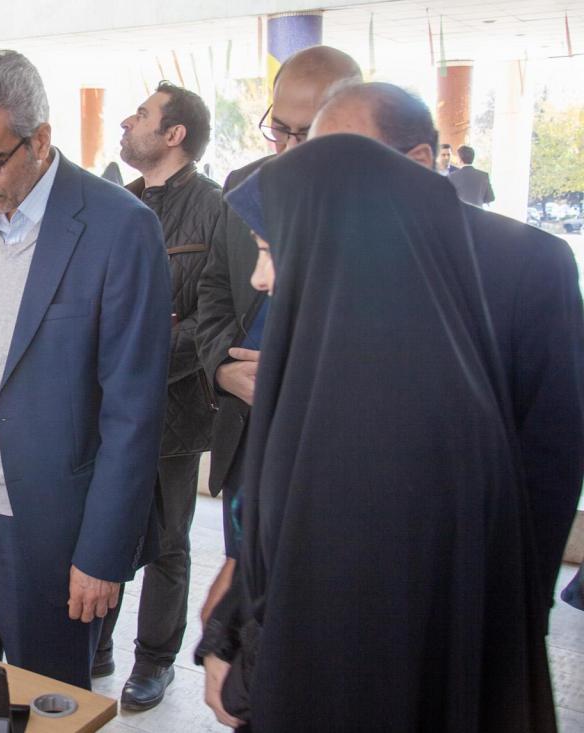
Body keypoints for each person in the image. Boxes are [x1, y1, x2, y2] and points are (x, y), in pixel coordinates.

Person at [201, 134, 555, 731]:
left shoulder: (370, 417)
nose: (260, 278)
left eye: (271, 250)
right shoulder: (395, 367)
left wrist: (244, 675)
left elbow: (336, 620)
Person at [0, 49, 171, 688]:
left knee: (48, 705)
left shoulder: (120, 228)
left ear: (39, 140)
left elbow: (134, 413)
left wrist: (102, 554)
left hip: (54, 527)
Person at [310, 81, 584, 614]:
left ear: (417, 161)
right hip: (338, 577)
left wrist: (522, 599)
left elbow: (553, 449)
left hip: (470, 579)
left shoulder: (530, 263)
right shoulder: (323, 261)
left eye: (344, 164)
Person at [195, 44, 362, 622]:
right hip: (248, 433)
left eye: (306, 133)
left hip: (338, 449)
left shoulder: (383, 206)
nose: (288, 150)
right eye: (279, 130)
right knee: (247, 597)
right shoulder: (244, 186)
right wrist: (222, 368)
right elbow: (214, 292)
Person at [94, 80, 221, 710]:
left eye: (141, 115)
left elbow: (215, 318)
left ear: (174, 134)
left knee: (168, 542)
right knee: (107, 524)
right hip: (109, 410)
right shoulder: (119, 203)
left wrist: (139, 355)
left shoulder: (215, 209)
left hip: (175, 409)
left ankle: (154, 661)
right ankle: (96, 644)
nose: (127, 121)